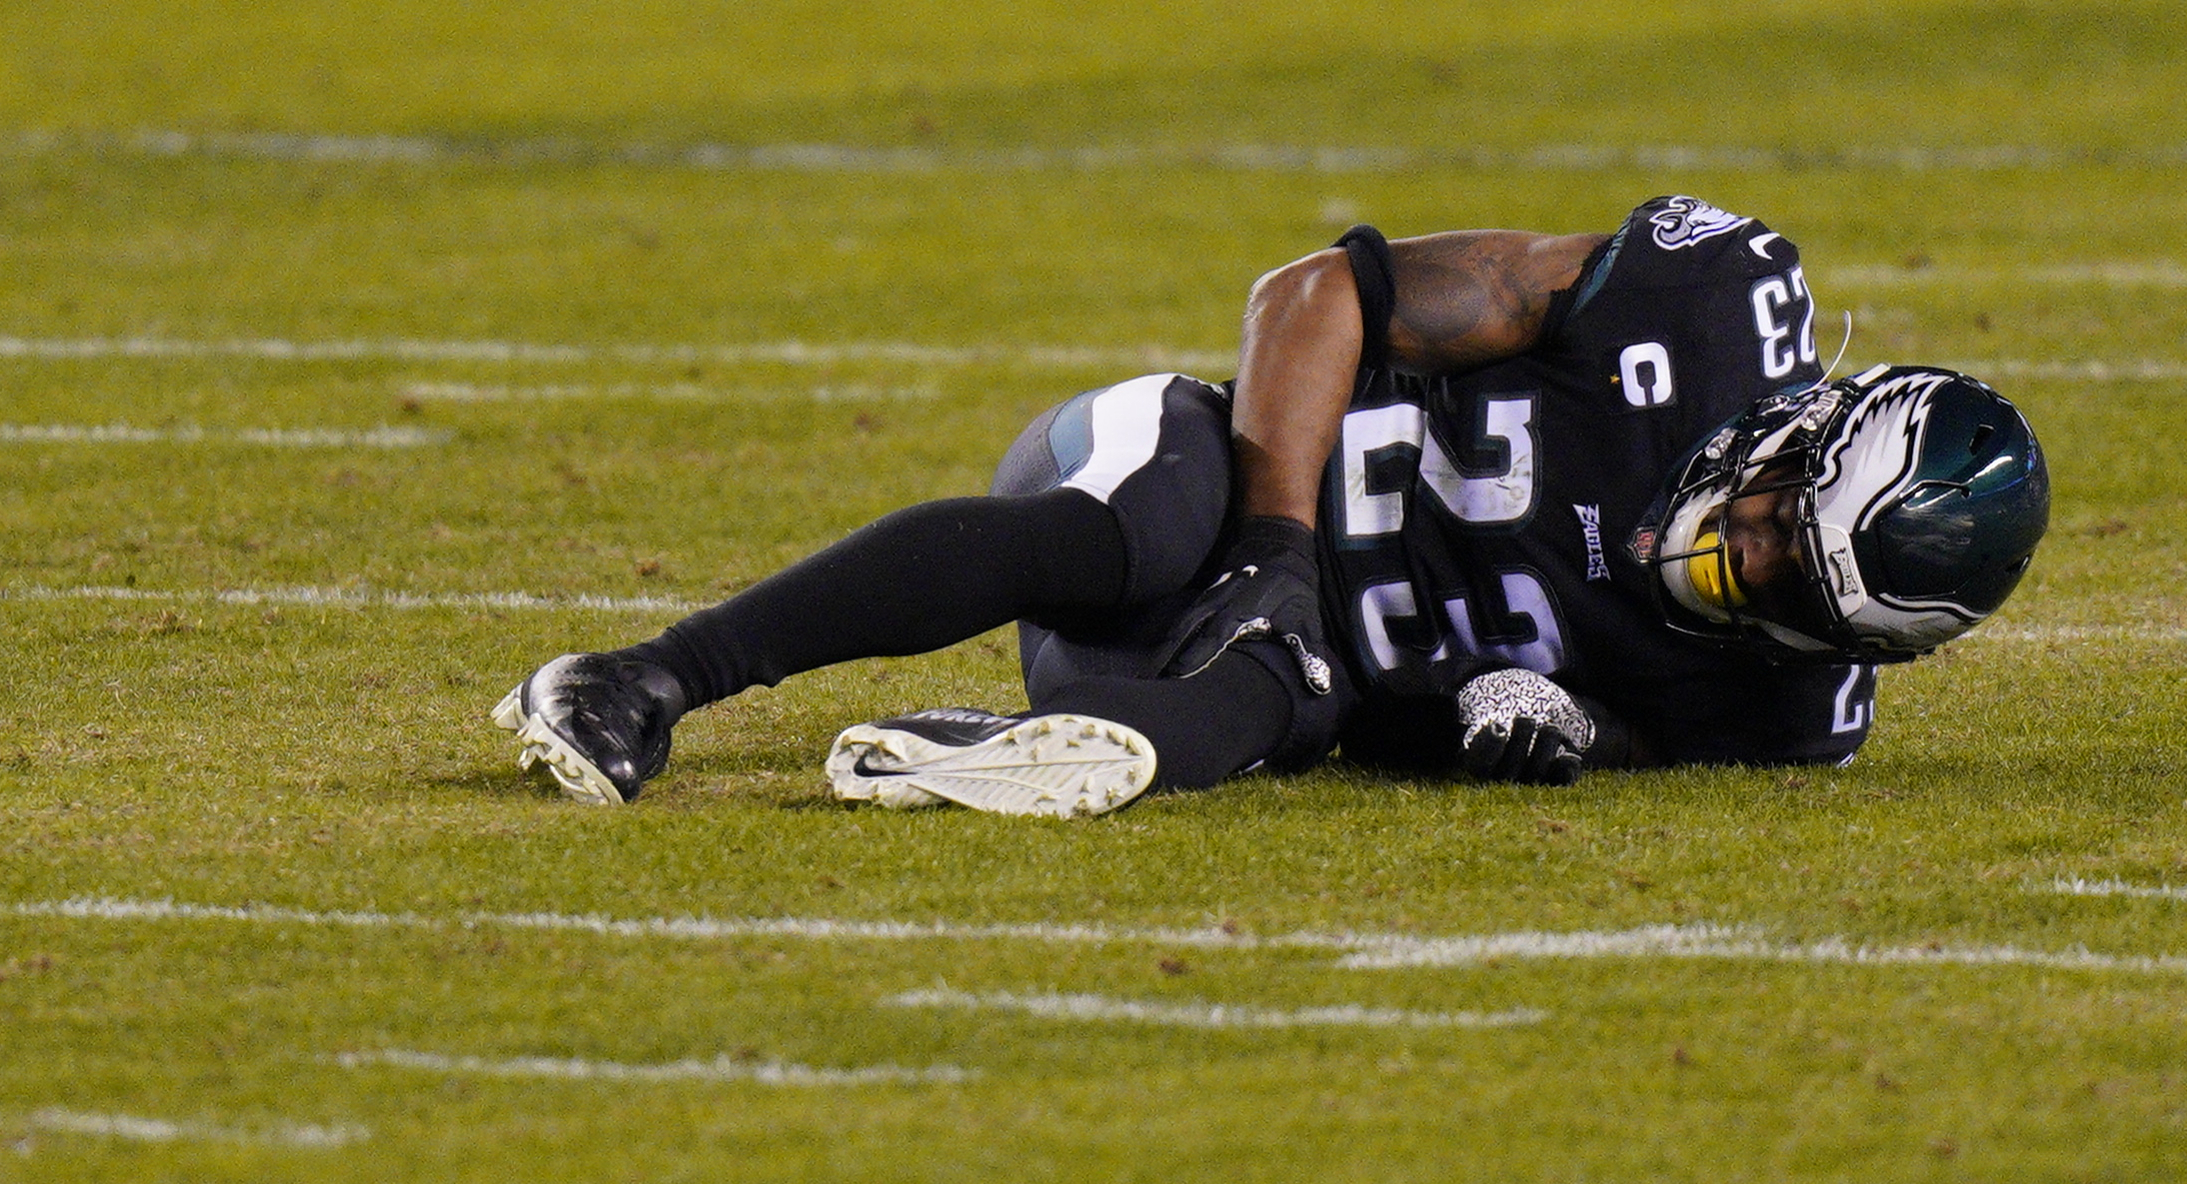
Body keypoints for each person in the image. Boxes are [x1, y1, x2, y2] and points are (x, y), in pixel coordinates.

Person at [493, 194, 2051, 817]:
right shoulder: (1695, 309)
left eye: (1786, 584)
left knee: (1290, 702)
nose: (1741, 557)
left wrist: (1520, 725)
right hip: (1177, 468)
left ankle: (999, 760)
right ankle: (644, 676)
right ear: (1801, 423)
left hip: (1260, 676)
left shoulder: (1788, 711)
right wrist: (1275, 546)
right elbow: (1315, 293)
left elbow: (1574, 722)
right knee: (1148, 532)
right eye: (1780, 515)